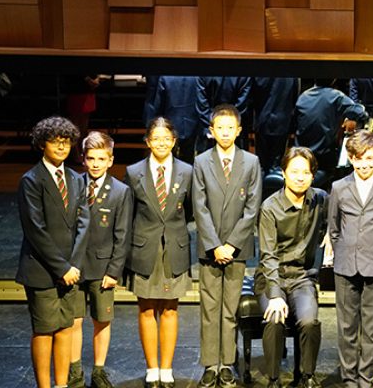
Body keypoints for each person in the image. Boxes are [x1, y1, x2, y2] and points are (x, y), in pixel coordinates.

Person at [191, 104, 262, 388]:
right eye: (219, 128)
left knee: (231, 308)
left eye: (230, 128)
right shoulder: (201, 162)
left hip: (237, 249)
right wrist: (215, 246)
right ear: (211, 131)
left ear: (239, 131)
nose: (225, 133)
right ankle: (211, 364)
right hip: (210, 250)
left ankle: (228, 365)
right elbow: (199, 206)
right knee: (209, 309)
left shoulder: (250, 162)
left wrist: (231, 244)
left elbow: (252, 207)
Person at [15, 116, 88, 388]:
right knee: (44, 330)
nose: (61, 147)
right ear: (42, 143)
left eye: (66, 142)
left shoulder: (74, 178)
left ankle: (62, 384)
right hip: (43, 270)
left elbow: (84, 222)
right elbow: (35, 230)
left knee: (66, 328)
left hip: (71, 270)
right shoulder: (31, 180)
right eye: (55, 142)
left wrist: (74, 265)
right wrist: (62, 268)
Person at [124, 117, 194, 388]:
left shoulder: (187, 171)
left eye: (167, 139)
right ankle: (151, 367)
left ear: (174, 142)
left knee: (170, 309)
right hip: (144, 248)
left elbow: (189, 211)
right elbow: (128, 214)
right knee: (146, 308)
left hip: (174, 247)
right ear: (148, 142)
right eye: (156, 139)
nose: (161, 143)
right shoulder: (133, 172)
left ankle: (167, 367)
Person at [326, 130, 373, 388]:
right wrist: (345, 249)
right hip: (346, 265)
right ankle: (349, 379)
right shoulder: (339, 187)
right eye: (359, 159)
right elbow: (333, 228)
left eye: (369, 158)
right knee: (347, 327)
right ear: (351, 159)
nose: (364, 164)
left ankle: (366, 379)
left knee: (371, 328)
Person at [257, 147, 329, 388]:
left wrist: (331, 233)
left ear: (312, 175)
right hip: (271, 277)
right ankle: (273, 378)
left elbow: (337, 219)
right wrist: (275, 295)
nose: (300, 177)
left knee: (309, 321)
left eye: (306, 172)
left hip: (303, 277)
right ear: (284, 173)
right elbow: (267, 255)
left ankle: (307, 376)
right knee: (275, 319)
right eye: (295, 171)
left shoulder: (320, 199)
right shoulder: (270, 207)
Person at [67, 131, 132, 388]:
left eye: (101, 158)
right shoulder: (73, 185)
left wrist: (114, 271)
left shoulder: (120, 191)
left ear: (110, 160)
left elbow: (122, 234)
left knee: (101, 321)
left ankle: (98, 370)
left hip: (103, 268)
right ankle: (74, 372)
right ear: (83, 159)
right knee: (73, 321)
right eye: (91, 158)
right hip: (74, 267)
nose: (95, 163)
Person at [293, 79, 370, 187]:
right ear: (333, 80)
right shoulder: (336, 96)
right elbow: (361, 113)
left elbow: (295, 124)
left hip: (300, 154)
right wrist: (350, 117)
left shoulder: (303, 96)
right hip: (323, 159)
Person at [143, 75, 202, 163]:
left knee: (168, 158)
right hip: (193, 123)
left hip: (171, 122)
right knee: (189, 158)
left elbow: (158, 105)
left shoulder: (165, 78)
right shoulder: (199, 78)